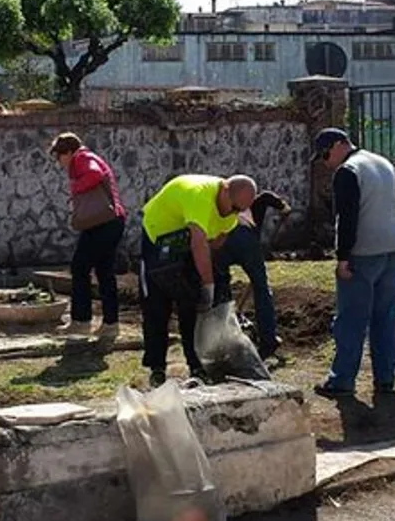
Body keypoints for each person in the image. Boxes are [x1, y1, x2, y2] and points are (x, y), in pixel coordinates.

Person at [310, 128, 395, 399]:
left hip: (364, 253)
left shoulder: (348, 171)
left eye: (325, 155)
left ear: (338, 145)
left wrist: (343, 257)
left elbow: (347, 217)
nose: (325, 162)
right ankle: (385, 380)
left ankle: (342, 381)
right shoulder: (382, 163)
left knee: (351, 319)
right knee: (385, 317)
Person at [139, 174, 258, 387]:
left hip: (185, 241)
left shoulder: (231, 212)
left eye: (240, 210)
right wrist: (208, 284)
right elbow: (199, 244)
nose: (234, 214)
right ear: (224, 190)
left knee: (191, 303)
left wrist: (205, 283)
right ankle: (157, 368)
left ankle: (196, 365)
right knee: (157, 305)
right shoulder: (199, 196)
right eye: (233, 207)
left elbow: (215, 243)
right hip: (158, 236)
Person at [50, 132, 127, 339]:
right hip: (109, 222)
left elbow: (94, 175)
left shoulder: (83, 158)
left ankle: (81, 321)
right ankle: (111, 324)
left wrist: (76, 188)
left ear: (68, 152)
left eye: (59, 156)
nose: (59, 162)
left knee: (80, 267)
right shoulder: (86, 158)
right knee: (104, 272)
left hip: (102, 223)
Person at [212, 189, 291, 360]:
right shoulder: (255, 202)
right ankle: (268, 340)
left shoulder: (221, 205)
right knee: (261, 287)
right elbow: (267, 197)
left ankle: (223, 338)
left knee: (221, 287)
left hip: (221, 239)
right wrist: (283, 207)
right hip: (247, 240)